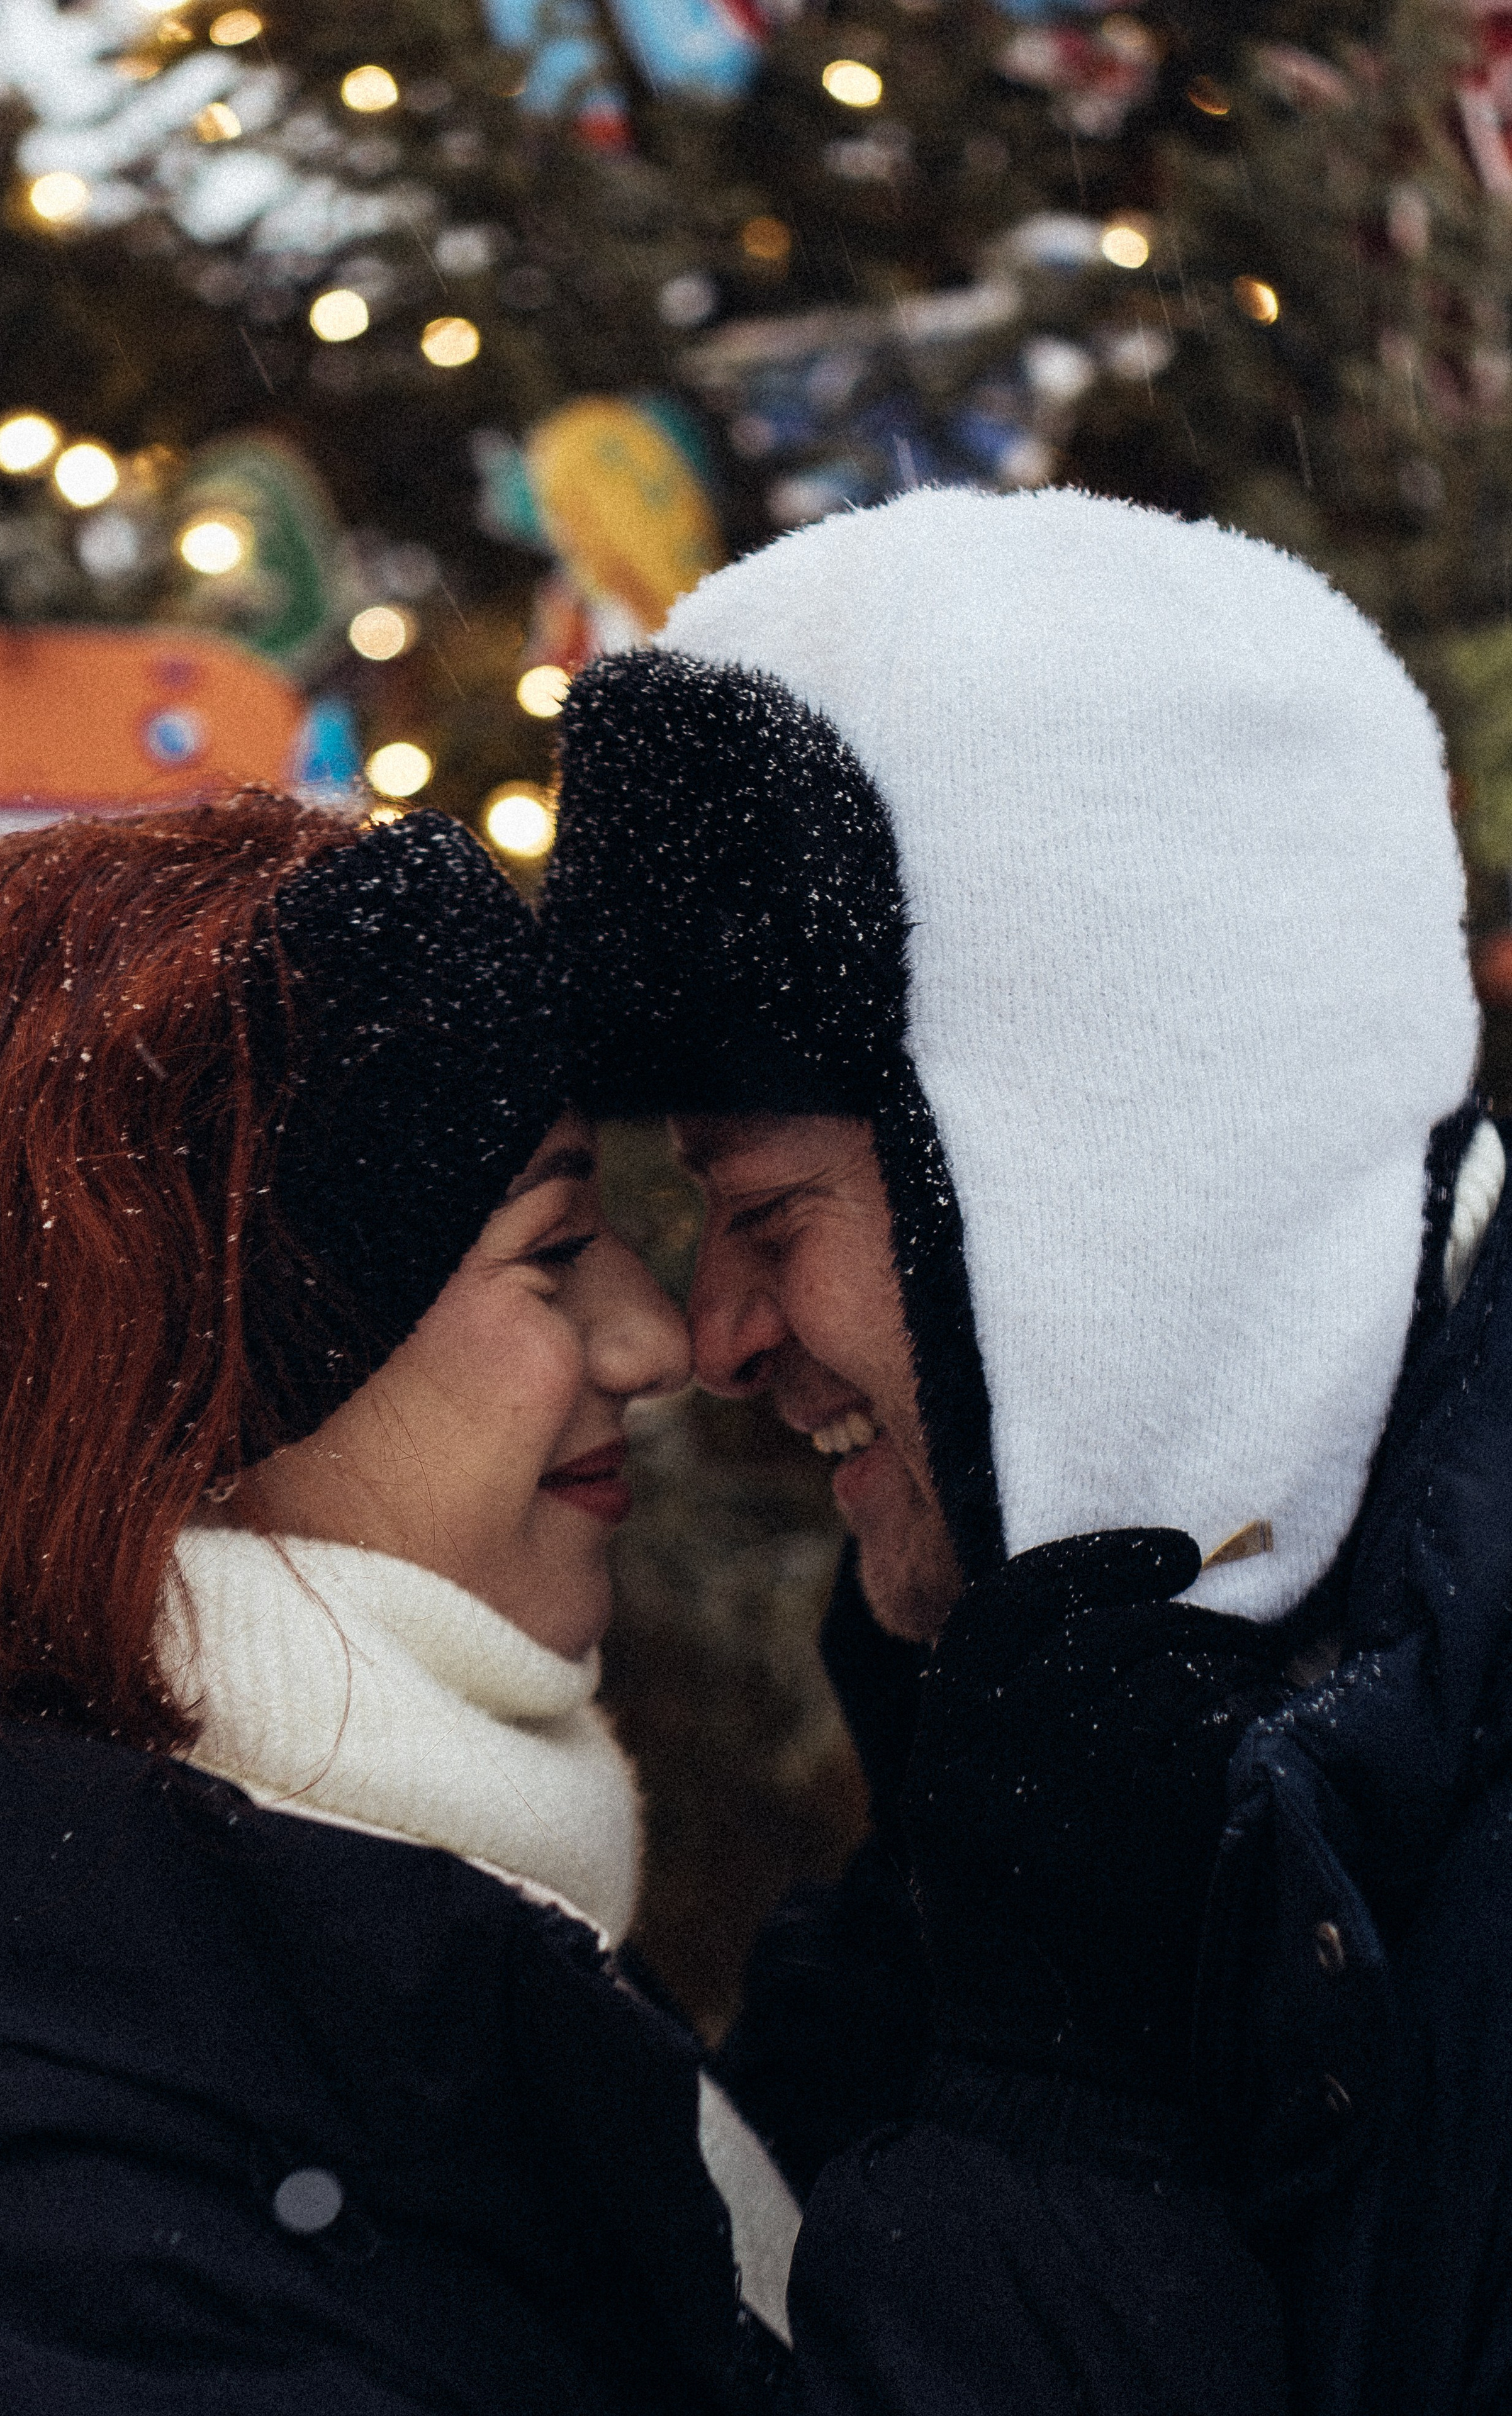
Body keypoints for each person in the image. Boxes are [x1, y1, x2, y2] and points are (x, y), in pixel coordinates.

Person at [542, 485, 1510, 2415]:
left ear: (1096, 1182)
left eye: (770, 1213)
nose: (713, 1338)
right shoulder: (1067, 1717)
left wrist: (1064, 2104)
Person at [0, 790, 800, 2412]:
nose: (657, 1341)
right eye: (554, 1248)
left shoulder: (395, 1934)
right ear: (183, 1385)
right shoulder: (33, 2216)